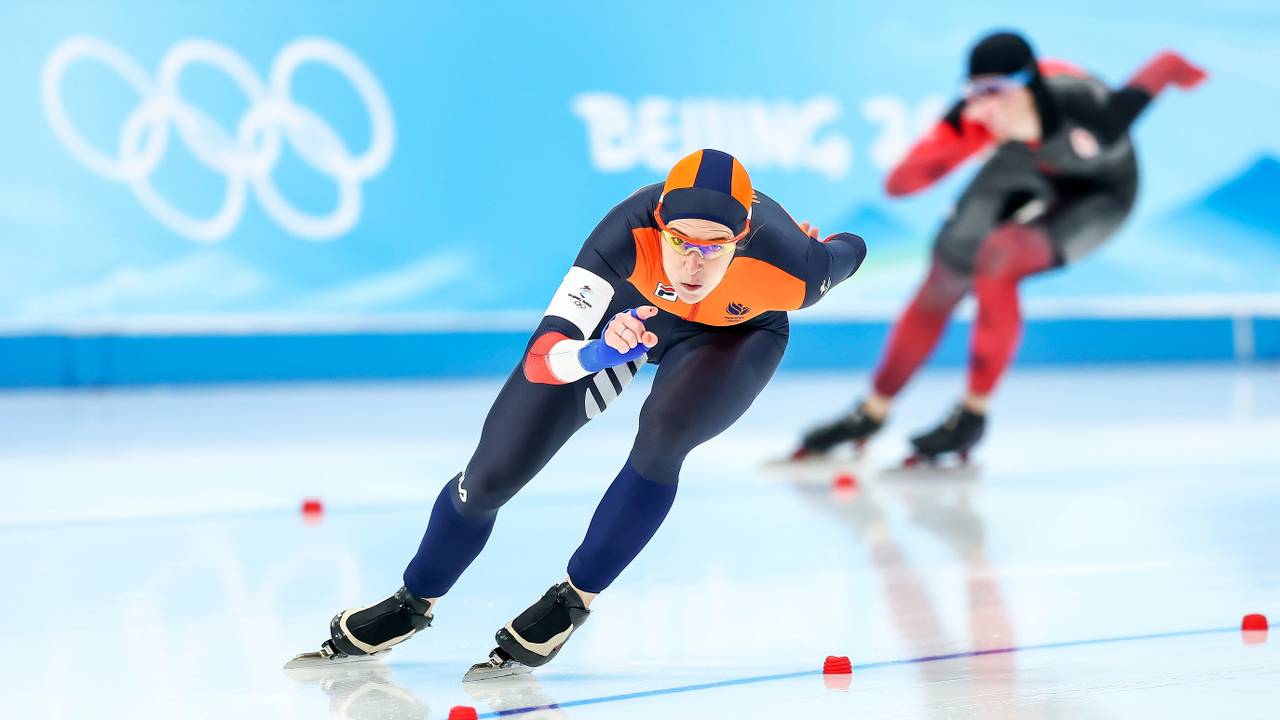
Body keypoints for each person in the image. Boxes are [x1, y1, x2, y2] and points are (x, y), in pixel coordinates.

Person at [287, 149, 867, 677]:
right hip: (628, 317)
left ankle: (572, 600)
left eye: (713, 245)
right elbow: (543, 358)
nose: (693, 264)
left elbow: (852, 249)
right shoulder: (620, 236)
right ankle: (412, 601)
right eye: (679, 241)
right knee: (489, 476)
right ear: (658, 223)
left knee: (664, 437)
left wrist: (815, 242)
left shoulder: (795, 268)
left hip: (736, 335)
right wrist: (598, 352)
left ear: (741, 238)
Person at [795, 31, 1205, 464]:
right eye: (973, 92)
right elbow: (900, 184)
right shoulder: (972, 120)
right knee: (947, 269)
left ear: (1029, 84)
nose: (981, 105)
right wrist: (960, 146)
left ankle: (972, 414)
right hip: (1021, 166)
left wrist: (1191, 72)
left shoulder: (1089, 108)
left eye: (994, 92)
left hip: (1101, 193)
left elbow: (1164, 65)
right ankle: (872, 411)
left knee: (999, 255)